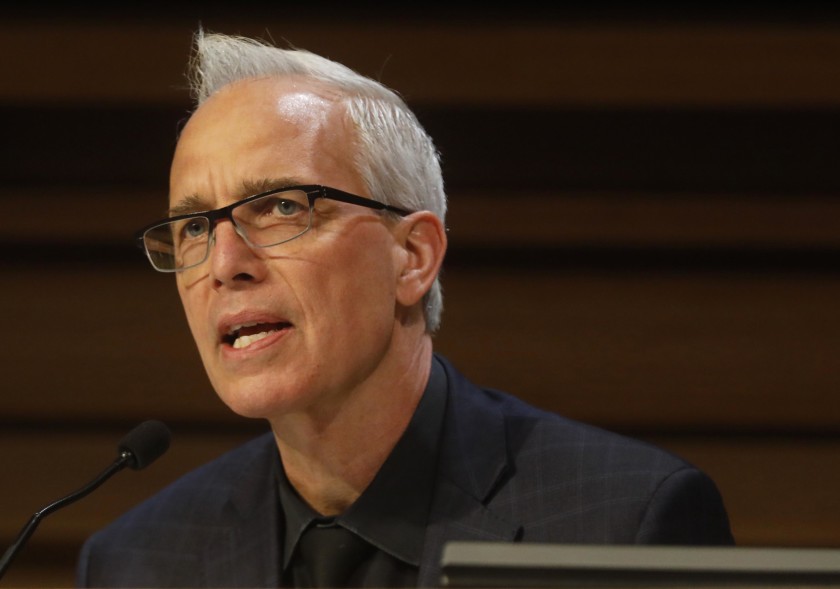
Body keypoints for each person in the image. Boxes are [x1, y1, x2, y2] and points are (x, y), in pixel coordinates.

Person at [75, 29, 734, 588]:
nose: (224, 264)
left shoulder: (624, 525)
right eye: (194, 226)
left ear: (413, 255)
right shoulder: (137, 563)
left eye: (281, 207)